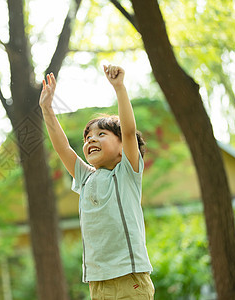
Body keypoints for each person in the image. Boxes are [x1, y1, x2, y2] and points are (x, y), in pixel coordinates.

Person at [39, 65, 154, 299]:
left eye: (102, 134)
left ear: (122, 147)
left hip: (130, 278)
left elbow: (129, 131)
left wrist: (119, 88)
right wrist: (47, 109)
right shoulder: (86, 177)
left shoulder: (127, 173)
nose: (92, 139)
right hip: (97, 282)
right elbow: (63, 148)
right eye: (88, 137)